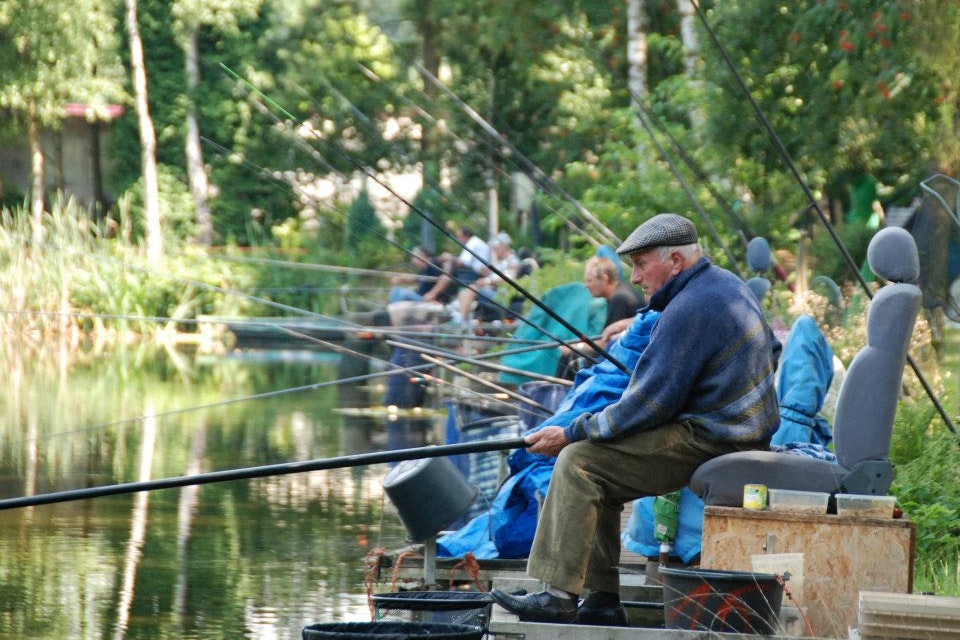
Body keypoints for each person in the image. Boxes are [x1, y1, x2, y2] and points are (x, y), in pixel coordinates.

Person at [490, 213, 780, 625]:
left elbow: (645, 406)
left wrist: (573, 430)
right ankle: (600, 600)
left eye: (642, 264)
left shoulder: (688, 309)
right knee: (598, 465)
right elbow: (771, 350)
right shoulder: (726, 286)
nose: (636, 277)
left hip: (717, 439)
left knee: (579, 461)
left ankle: (558, 595)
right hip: (742, 432)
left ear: (676, 261)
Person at [557, 255, 643, 378]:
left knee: (572, 357)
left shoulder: (620, 298)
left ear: (604, 279)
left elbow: (606, 343)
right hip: (624, 354)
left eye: (589, 280)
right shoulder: (619, 292)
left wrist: (573, 347)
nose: (586, 285)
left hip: (629, 361)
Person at [456, 231, 520, 324]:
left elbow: (506, 280)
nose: (494, 250)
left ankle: (462, 321)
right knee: (464, 291)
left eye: (496, 248)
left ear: (503, 247)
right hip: (494, 293)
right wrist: (487, 275)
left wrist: (487, 281)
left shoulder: (512, 261)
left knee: (472, 288)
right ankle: (461, 319)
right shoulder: (502, 262)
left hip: (502, 297)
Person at [388, 245, 455, 304]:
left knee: (401, 293)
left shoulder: (433, 264)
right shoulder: (424, 269)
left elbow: (445, 279)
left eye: (414, 257)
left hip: (427, 301)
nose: (412, 260)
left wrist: (433, 294)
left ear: (422, 256)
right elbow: (414, 278)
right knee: (396, 291)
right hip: (420, 298)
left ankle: (390, 313)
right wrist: (400, 278)